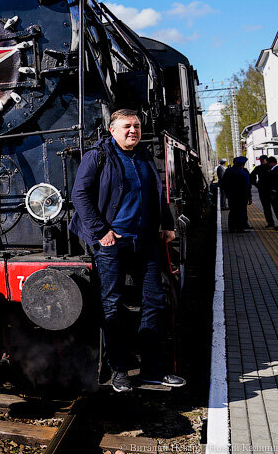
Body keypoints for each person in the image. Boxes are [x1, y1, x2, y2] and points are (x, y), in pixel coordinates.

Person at [70, 109, 185, 393]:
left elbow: (157, 193)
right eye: (126, 126)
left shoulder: (143, 156)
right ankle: (119, 371)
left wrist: (167, 224)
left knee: (155, 302)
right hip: (113, 244)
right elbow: (79, 195)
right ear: (112, 130)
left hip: (145, 241)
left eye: (136, 126)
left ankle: (153, 371)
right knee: (113, 306)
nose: (133, 130)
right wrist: (101, 232)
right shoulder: (98, 155)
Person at [221, 157, 251, 232]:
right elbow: (247, 185)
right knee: (240, 211)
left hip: (231, 195)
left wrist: (227, 194)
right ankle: (239, 228)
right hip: (242, 195)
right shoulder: (243, 172)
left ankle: (231, 228)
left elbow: (224, 183)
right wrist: (249, 196)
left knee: (232, 211)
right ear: (242, 164)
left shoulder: (228, 171)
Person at [250, 155, 275, 227]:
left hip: (271, 189)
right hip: (263, 190)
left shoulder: (271, 167)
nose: (262, 161)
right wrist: (256, 184)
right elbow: (252, 176)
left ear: (267, 160)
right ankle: (270, 223)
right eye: (261, 160)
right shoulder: (258, 168)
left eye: (263, 160)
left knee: (276, 207)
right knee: (266, 208)